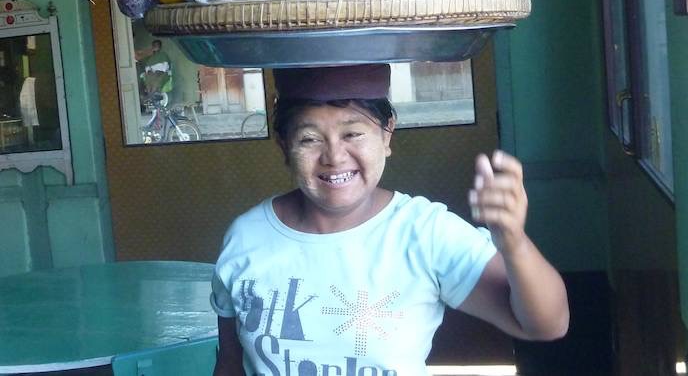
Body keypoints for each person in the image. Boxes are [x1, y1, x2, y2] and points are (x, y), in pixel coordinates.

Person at [211, 64, 569, 375]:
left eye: (353, 133)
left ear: (387, 133)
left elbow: (547, 324)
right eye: (310, 139)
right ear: (283, 146)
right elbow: (230, 364)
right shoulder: (246, 237)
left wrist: (514, 244)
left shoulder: (424, 232)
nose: (334, 156)